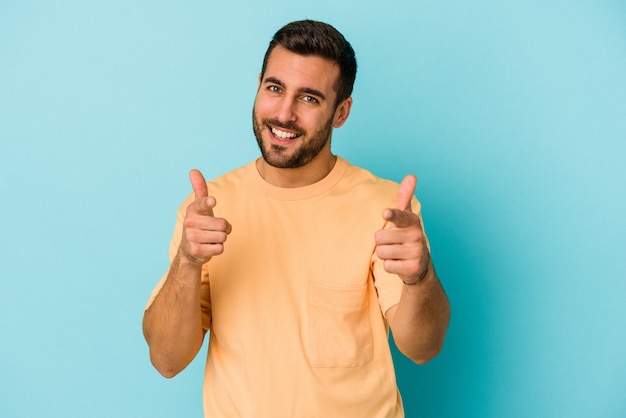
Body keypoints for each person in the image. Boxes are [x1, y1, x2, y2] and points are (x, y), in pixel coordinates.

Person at [143, 19, 450, 417]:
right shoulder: (206, 209)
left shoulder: (388, 208)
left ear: (341, 112)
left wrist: (419, 277)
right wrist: (187, 261)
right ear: (258, 85)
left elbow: (423, 348)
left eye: (309, 98)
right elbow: (167, 360)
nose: (283, 113)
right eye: (274, 88)